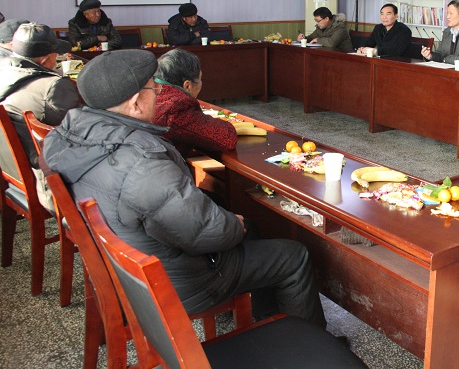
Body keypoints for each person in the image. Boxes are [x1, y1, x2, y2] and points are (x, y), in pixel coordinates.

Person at [42, 50, 326, 327]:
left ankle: (265, 319)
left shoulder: (64, 136)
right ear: (136, 103)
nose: (159, 93)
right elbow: (206, 231)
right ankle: (309, 345)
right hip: (174, 281)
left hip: (128, 263)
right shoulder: (141, 161)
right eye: (153, 88)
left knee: (245, 226)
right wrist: (234, 225)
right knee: (294, 256)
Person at [0, 23, 79, 212]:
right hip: (47, 184)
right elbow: (79, 130)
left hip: (12, 171)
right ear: (45, 59)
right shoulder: (53, 86)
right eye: (56, 55)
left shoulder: (3, 70)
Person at [152, 48, 237, 157]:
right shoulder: (177, 107)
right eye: (200, 79)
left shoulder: (147, 90)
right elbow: (227, 138)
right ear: (187, 85)